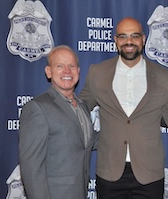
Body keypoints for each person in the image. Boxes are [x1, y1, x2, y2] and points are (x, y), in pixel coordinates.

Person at [79, 17, 168, 199]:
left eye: (134, 36)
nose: (129, 41)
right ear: (116, 41)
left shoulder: (164, 77)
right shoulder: (97, 73)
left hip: (149, 174)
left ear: (143, 39)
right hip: (109, 173)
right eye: (123, 36)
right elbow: (80, 110)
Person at [18, 45, 97, 199]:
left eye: (71, 66)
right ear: (49, 72)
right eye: (60, 66)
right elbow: (31, 168)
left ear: (78, 71)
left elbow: (89, 141)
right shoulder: (38, 108)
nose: (67, 71)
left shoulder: (83, 106)